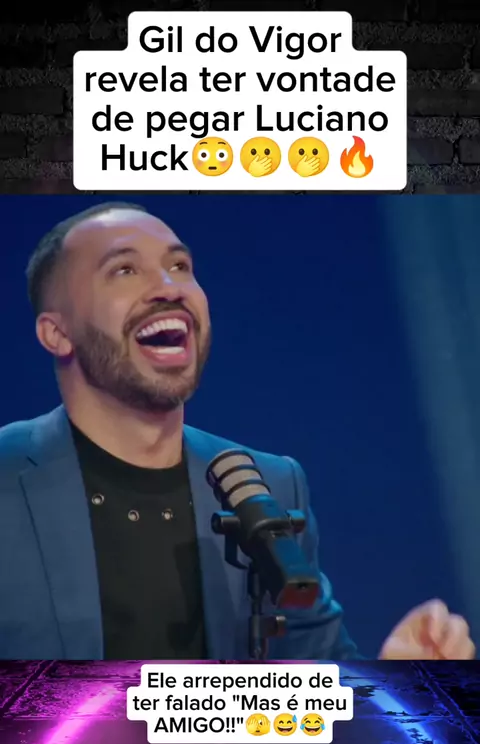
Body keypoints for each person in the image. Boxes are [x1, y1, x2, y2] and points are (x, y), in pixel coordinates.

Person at [0, 202, 474, 661]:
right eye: (124, 270)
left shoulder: (270, 484)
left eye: (180, 266)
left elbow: (313, 676)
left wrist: (395, 676)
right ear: (56, 333)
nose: (169, 287)